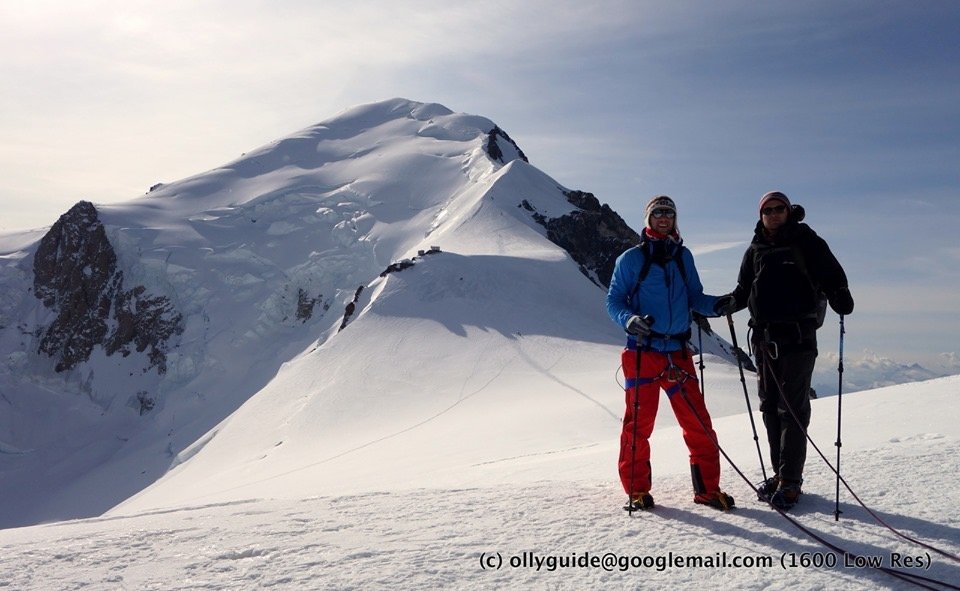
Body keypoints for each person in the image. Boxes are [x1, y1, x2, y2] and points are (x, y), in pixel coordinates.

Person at [717, 191, 854, 510]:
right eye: (768, 210)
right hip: (764, 339)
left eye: (779, 209)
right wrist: (727, 304)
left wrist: (840, 295)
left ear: (789, 211)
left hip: (798, 336)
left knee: (791, 409)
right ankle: (781, 476)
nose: (774, 214)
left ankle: (791, 481)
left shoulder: (807, 241)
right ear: (761, 215)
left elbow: (832, 275)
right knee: (769, 407)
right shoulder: (755, 249)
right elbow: (743, 290)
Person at [606, 196, 735, 512]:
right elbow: (614, 302)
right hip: (642, 353)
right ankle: (636, 491)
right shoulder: (630, 259)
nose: (664, 218)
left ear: (675, 220)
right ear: (648, 219)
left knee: (699, 424)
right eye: (658, 213)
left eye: (669, 213)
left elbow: (694, 297)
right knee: (638, 426)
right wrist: (629, 319)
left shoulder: (683, 257)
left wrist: (719, 305)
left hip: (678, 353)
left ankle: (707, 490)